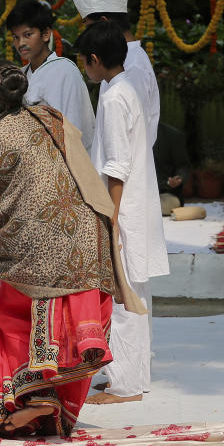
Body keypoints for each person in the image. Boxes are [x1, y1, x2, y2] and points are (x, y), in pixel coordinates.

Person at [0, 60, 144, 436]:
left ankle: (35, 401)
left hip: (42, 249)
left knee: (10, 315)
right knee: (60, 328)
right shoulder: (50, 117)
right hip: (86, 236)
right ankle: (42, 406)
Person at [74, 21, 168, 405]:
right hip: (135, 204)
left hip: (122, 209)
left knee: (122, 296)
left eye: (83, 62)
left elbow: (116, 166)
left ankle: (125, 386)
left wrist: (109, 220)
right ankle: (134, 377)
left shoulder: (114, 98)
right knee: (135, 293)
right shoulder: (127, 85)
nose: (83, 69)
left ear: (95, 60)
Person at [74, 0, 160, 152]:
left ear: (104, 23)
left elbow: (133, 136)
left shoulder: (133, 63)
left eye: (89, 28)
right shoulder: (125, 57)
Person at [6, 0, 95, 153]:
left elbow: (72, 128)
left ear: (46, 34)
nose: (21, 43)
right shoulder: (21, 73)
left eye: (28, 35)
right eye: (16, 37)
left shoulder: (64, 71)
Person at [154, 122, 191, 215]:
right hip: (136, 194)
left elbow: (183, 166)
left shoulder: (172, 135)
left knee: (166, 204)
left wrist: (178, 178)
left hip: (165, 194)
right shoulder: (130, 134)